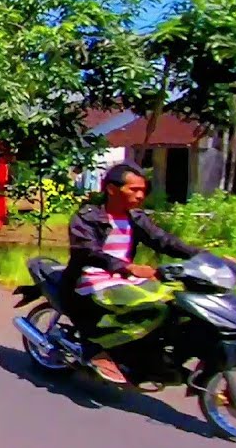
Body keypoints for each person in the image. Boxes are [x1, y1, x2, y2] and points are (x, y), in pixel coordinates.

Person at [63, 162, 213, 384]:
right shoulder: (86, 218)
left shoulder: (135, 217)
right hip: (91, 279)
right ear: (111, 189)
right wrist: (127, 267)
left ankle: (151, 356)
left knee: (179, 302)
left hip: (122, 278)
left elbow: (163, 240)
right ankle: (99, 347)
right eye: (134, 189)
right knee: (156, 307)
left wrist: (204, 256)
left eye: (143, 190)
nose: (140, 195)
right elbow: (88, 251)